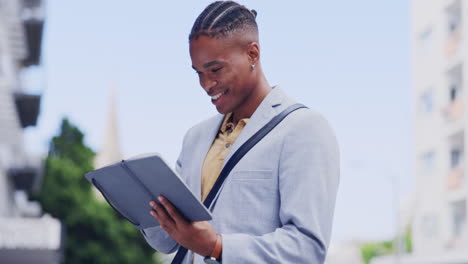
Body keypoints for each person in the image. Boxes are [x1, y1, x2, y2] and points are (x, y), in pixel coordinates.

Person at [142, 1, 340, 263]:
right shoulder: (195, 138)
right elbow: (166, 242)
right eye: (198, 73)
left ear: (252, 54)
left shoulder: (304, 130)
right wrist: (145, 207)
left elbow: (306, 249)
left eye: (215, 69)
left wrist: (216, 246)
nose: (206, 84)